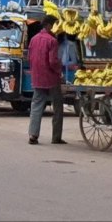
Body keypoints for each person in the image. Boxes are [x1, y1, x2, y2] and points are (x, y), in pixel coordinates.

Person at [28, 15, 66, 145]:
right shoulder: (52, 41)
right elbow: (52, 61)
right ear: (49, 25)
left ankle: (33, 135)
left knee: (36, 106)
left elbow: (30, 58)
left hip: (37, 77)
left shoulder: (33, 39)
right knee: (58, 107)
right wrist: (59, 72)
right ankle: (56, 137)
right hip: (51, 78)